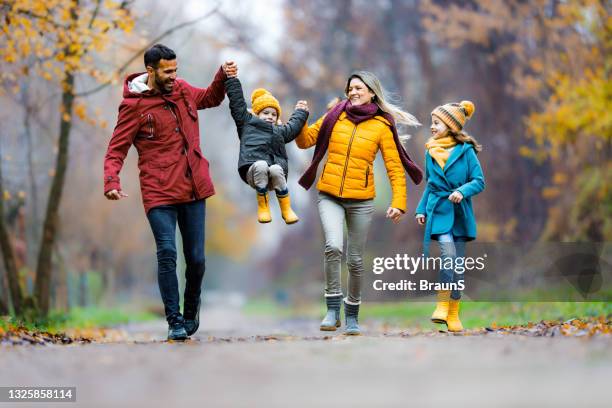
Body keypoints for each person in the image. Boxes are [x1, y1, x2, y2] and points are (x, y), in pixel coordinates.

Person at [103, 44, 237, 341]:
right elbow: (116, 149)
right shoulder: (133, 106)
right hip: (158, 191)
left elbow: (211, 98)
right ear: (150, 70)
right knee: (167, 253)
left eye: (176, 70)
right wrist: (112, 181)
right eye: (167, 71)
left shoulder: (183, 89)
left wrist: (222, 76)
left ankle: (191, 310)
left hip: (193, 186)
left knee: (197, 260)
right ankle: (174, 320)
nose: (173, 76)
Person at [296, 71, 423, 335]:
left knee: (355, 260)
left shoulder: (381, 125)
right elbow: (306, 140)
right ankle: (332, 310)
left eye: (359, 88)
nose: (353, 92)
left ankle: (352, 314)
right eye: (350, 88)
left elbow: (395, 168)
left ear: (372, 92)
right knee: (333, 246)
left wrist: (399, 201)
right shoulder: (334, 115)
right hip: (329, 194)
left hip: (361, 200)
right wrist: (300, 119)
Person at [415, 100, 485, 332]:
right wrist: (421, 209)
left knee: (458, 266)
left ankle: (453, 314)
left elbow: (478, 181)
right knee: (448, 255)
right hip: (440, 212)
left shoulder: (466, 152)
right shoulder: (430, 151)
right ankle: (441, 306)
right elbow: (430, 185)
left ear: (451, 126)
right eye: (431, 123)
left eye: (436, 123)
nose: (432, 127)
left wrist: (461, 191)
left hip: (460, 214)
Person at [224, 76, 309, 223]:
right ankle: (263, 206)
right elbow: (237, 104)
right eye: (266, 113)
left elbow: (293, 127)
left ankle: (286, 209)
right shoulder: (247, 124)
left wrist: (300, 112)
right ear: (257, 113)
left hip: (274, 176)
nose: (270, 117)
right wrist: (232, 79)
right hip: (253, 172)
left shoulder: (279, 131)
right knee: (261, 165)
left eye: (274, 114)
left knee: (276, 168)